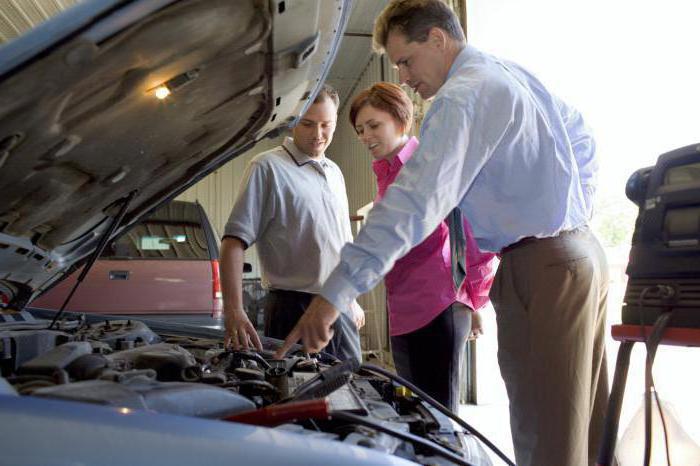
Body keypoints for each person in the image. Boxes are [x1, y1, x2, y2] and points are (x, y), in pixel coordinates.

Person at [276, 2, 609, 466]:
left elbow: (414, 203)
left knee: (549, 433)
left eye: (406, 61)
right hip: (576, 255)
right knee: (589, 428)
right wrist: (573, 212)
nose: (405, 78)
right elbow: (582, 138)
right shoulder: (508, 74)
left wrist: (334, 294)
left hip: (542, 263)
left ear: (437, 39)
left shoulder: (463, 95)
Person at [349, 82, 495, 412]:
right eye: (360, 129)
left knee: (440, 416)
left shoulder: (428, 166)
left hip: (438, 305)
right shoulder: (386, 173)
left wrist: (474, 301)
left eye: (374, 125)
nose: (365, 136)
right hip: (403, 309)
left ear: (402, 121)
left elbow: (472, 234)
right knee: (415, 413)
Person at [220, 84, 363, 362]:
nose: (318, 135)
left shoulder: (335, 172)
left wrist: (351, 298)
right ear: (292, 121)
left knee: (354, 393)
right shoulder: (267, 168)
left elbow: (341, 242)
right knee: (300, 395)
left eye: (326, 125)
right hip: (293, 307)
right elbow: (233, 242)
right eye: (308, 124)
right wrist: (234, 310)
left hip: (339, 304)